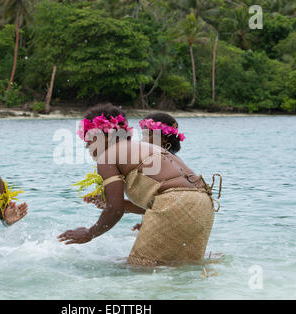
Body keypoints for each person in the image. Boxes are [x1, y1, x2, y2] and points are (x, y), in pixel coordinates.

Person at [58, 104, 220, 266]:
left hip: (177, 202)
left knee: (139, 269)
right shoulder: (146, 148)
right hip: (205, 203)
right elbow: (171, 199)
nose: (87, 146)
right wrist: (117, 204)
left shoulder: (108, 156)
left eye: (88, 139)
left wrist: (89, 233)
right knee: (177, 268)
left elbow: (115, 210)